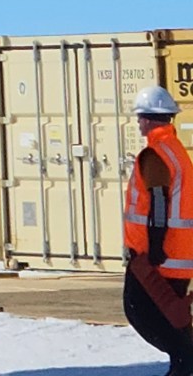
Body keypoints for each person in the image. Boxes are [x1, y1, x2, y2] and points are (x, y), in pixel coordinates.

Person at [123, 85, 193, 375]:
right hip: (178, 258)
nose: (138, 123)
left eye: (140, 117)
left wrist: (153, 247)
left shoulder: (154, 155)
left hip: (155, 261)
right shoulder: (175, 150)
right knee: (170, 318)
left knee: (140, 312)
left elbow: (160, 204)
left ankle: (185, 361)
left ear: (150, 119)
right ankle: (183, 361)